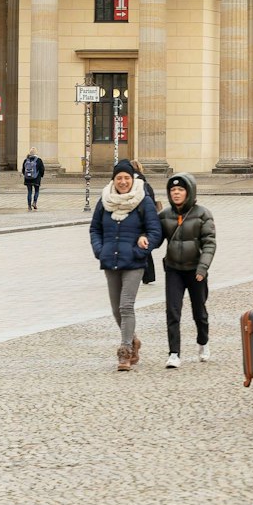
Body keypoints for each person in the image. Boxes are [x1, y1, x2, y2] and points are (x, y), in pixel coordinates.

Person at [90, 159, 161, 372]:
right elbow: (95, 229)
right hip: (110, 260)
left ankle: (125, 351)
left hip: (134, 262)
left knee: (126, 306)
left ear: (133, 179)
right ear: (114, 180)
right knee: (115, 309)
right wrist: (100, 250)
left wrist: (141, 249)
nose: (123, 182)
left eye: (126, 178)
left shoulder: (143, 201)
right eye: (119, 178)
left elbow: (155, 231)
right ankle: (133, 339)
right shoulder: (104, 200)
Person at [159, 171, 216, 368]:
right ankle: (174, 353)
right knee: (173, 311)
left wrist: (203, 267)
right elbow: (155, 238)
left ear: (189, 192)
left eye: (180, 189)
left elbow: (209, 243)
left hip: (195, 270)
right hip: (174, 269)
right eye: (173, 190)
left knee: (199, 311)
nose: (176, 193)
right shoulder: (165, 215)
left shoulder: (203, 214)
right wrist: (144, 237)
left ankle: (203, 341)